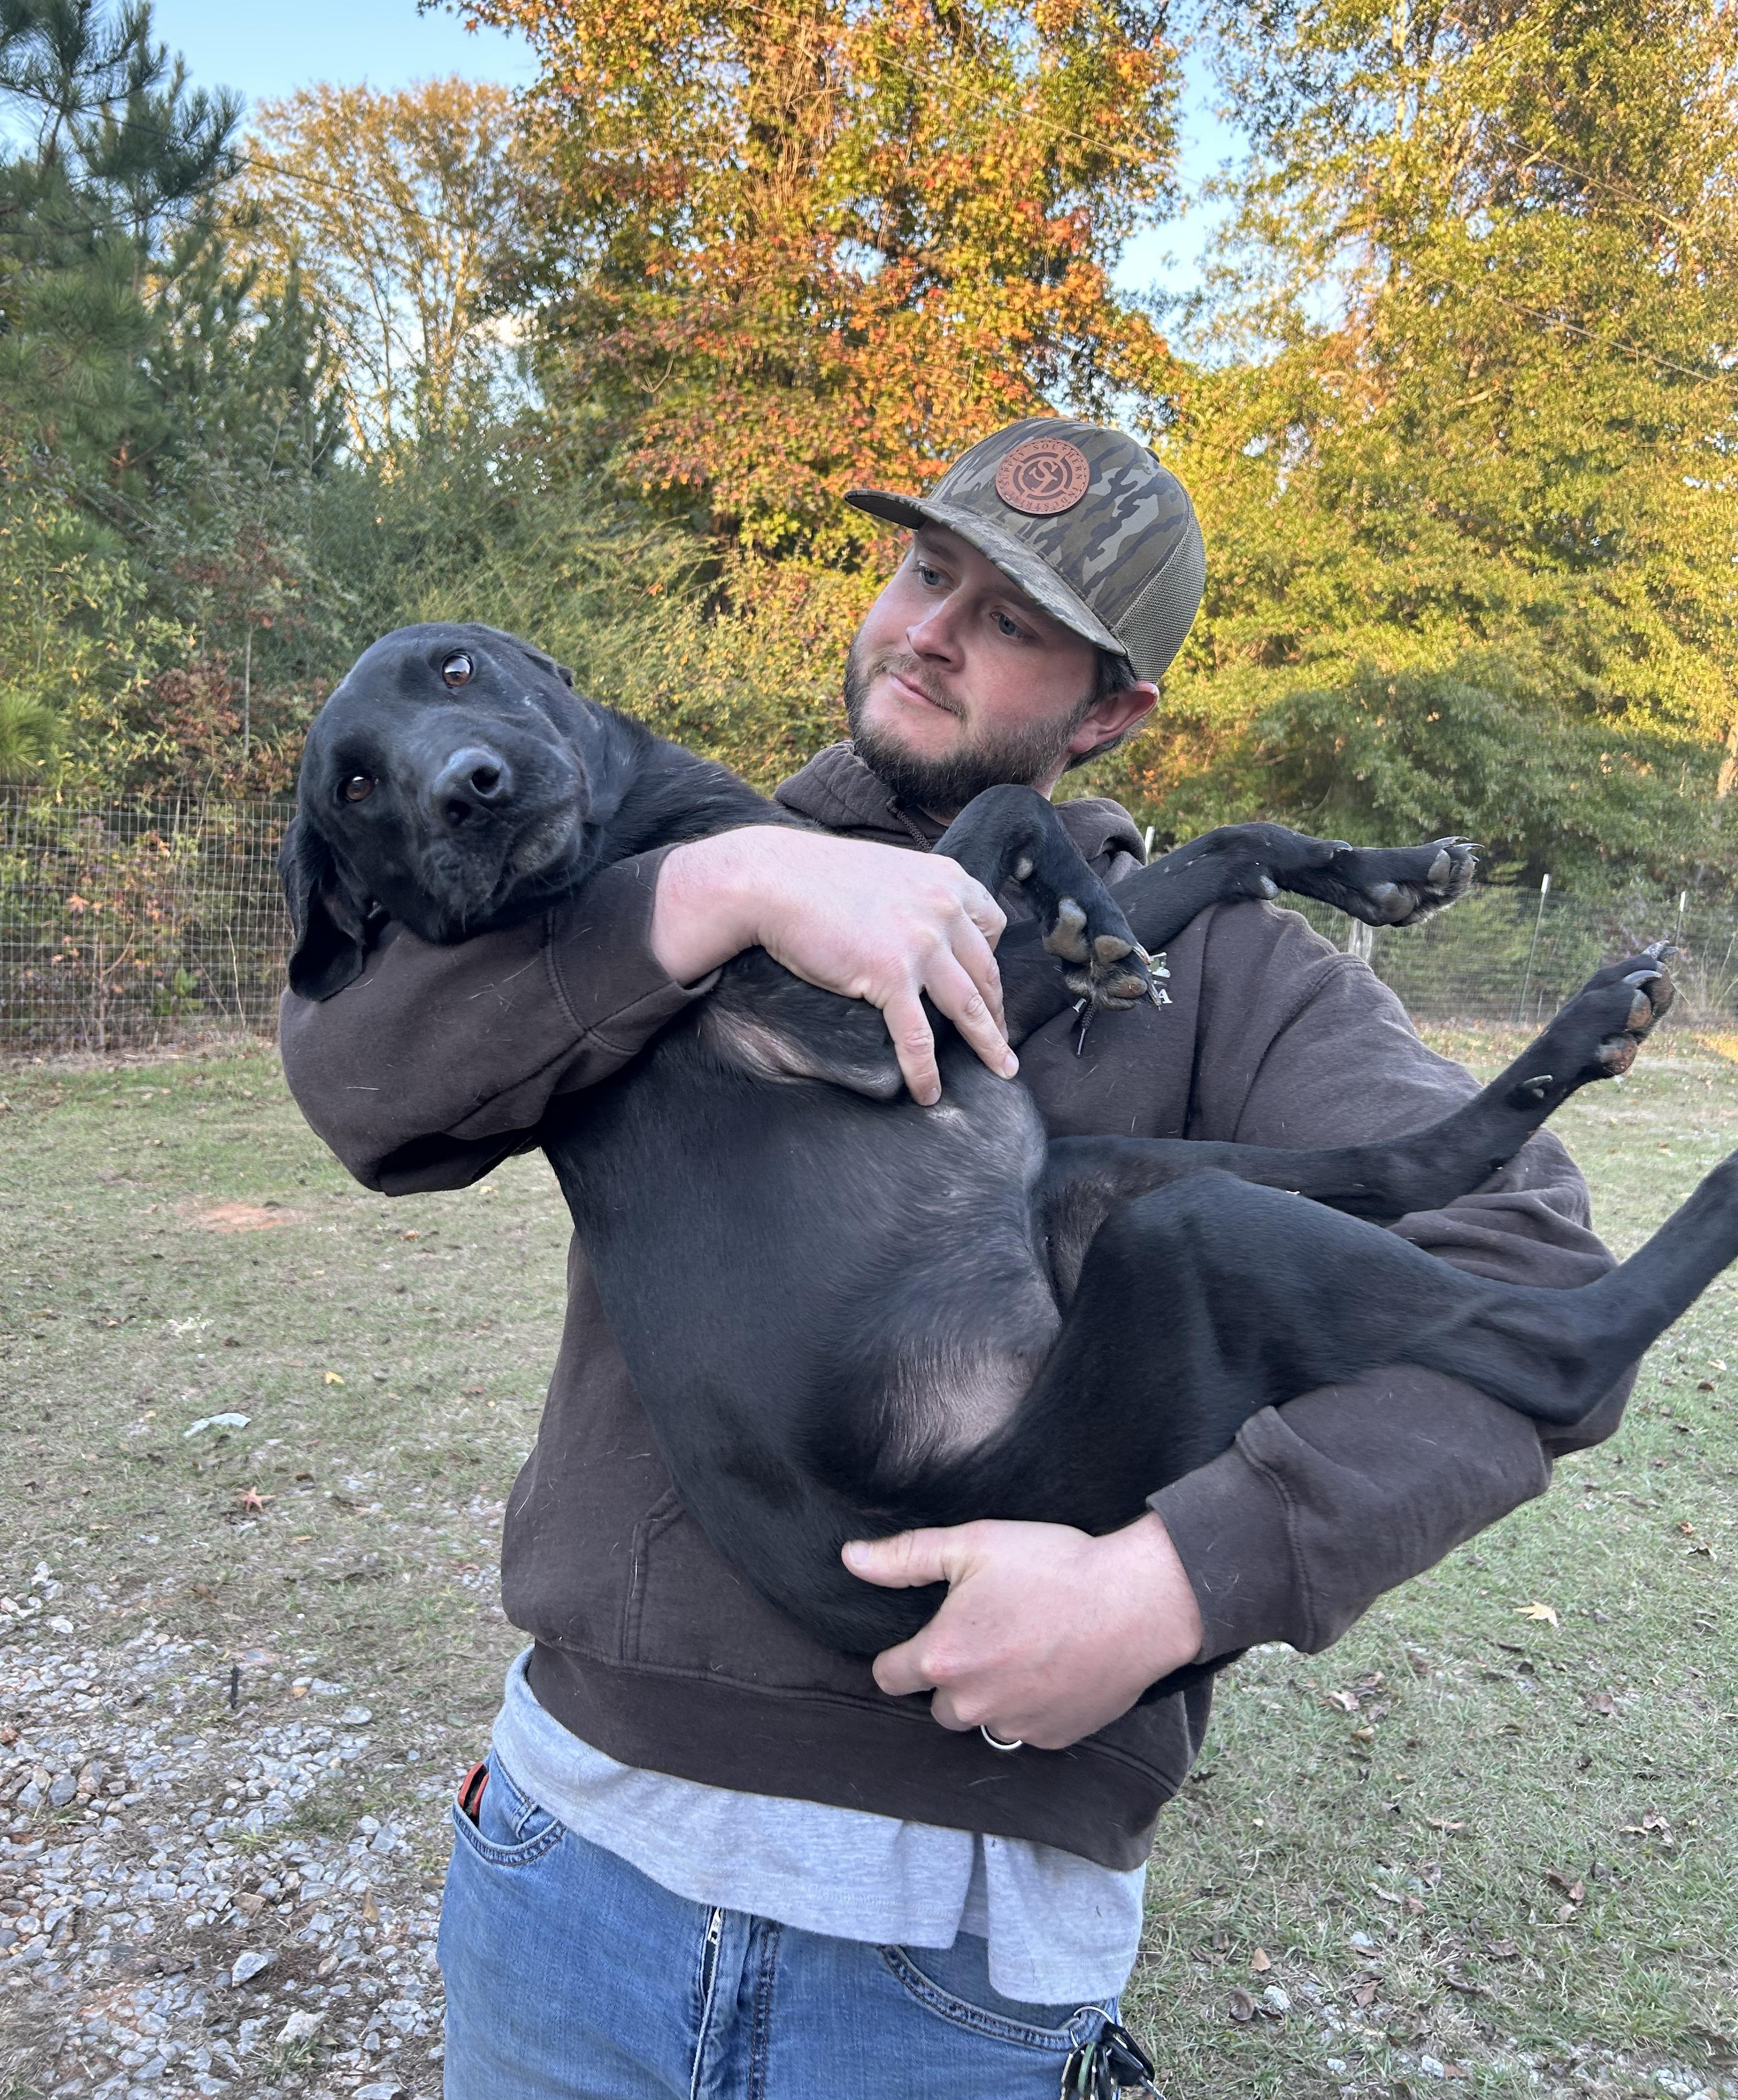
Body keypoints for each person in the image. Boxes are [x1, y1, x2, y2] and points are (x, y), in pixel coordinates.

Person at [280, 416, 1626, 2099]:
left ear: (1112, 707)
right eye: (927, 572)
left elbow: (1530, 1271)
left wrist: (1187, 1576)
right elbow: (363, 1085)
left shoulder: (1233, 978)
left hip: (952, 1967)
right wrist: (723, 889)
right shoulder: (671, 873)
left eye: (1011, 622)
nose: (930, 629)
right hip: (579, 1872)